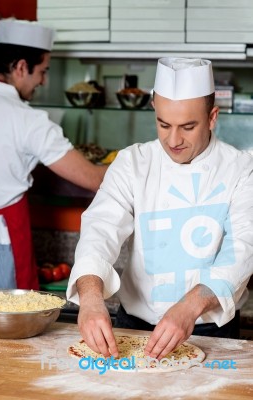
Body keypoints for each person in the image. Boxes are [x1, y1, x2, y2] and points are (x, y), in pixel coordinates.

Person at [66, 57, 253, 360]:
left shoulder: (242, 170)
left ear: (213, 117)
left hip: (210, 332)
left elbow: (242, 250)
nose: (173, 139)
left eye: (188, 126)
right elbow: (100, 228)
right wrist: (90, 298)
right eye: (163, 124)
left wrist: (189, 307)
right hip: (132, 327)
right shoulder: (132, 163)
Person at [0, 19, 107, 290]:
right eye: (42, 70)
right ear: (20, 67)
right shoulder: (28, 120)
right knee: (9, 324)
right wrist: (144, 159)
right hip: (1, 240)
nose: (43, 80)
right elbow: (93, 178)